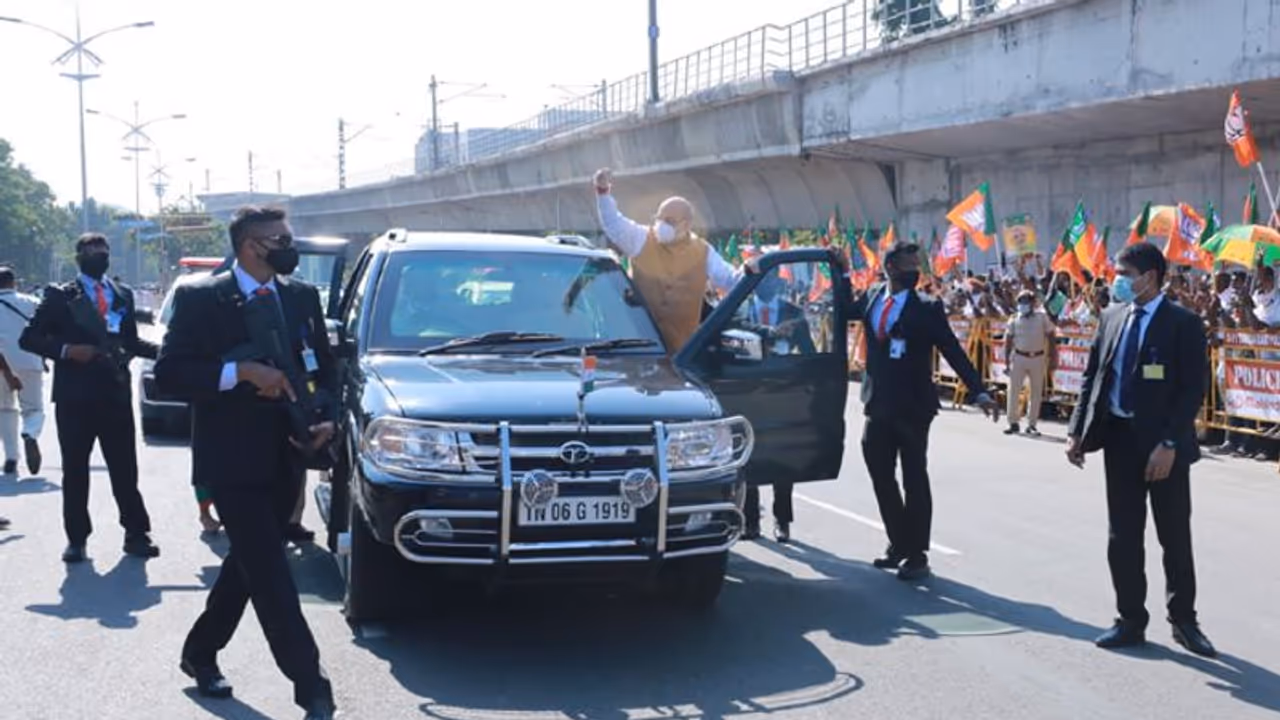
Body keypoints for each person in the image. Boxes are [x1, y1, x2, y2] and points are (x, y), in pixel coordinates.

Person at [154, 206, 337, 719]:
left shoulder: (300, 298)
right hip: (231, 460)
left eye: (288, 237)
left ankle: (199, 652)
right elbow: (170, 373)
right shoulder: (202, 299)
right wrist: (241, 372)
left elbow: (322, 367)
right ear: (249, 246)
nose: (287, 246)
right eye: (278, 239)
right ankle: (312, 687)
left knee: (250, 564)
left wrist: (325, 416)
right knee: (273, 573)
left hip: (289, 455)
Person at [1066, 242, 1215, 657]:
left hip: (1164, 449)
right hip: (1119, 440)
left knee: (1174, 537)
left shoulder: (1183, 323)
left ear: (1149, 277)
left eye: (1124, 274)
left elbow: (1192, 391)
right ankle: (1130, 619)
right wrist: (1077, 430)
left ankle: (1184, 621)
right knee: (1123, 537)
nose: (1117, 281)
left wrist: (1169, 443)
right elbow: (1092, 375)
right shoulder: (1112, 317)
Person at [851, 243, 999, 580]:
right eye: (908, 265)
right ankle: (898, 542)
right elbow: (844, 308)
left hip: (913, 407)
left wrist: (978, 390)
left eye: (917, 265)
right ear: (889, 268)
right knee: (880, 474)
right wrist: (842, 269)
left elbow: (951, 348)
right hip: (877, 402)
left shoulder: (928, 307)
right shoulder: (873, 296)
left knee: (914, 478)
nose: (915, 271)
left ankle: (916, 553)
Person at [19, 234, 159, 563]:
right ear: (78, 256)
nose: (99, 256)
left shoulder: (121, 294)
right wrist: (67, 351)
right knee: (76, 471)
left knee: (125, 469)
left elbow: (132, 342)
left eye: (104, 251)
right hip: (75, 398)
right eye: (91, 252)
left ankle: (136, 533)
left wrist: (168, 353)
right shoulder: (61, 296)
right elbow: (30, 338)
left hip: (114, 392)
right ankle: (77, 539)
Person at [593, 167, 740, 353]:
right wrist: (602, 192)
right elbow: (614, 223)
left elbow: (731, 281)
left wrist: (754, 268)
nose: (661, 225)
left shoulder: (703, 252)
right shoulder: (642, 239)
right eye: (659, 218)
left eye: (669, 221)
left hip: (682, 354)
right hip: (639, 350)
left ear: (686, 224)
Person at [739, 270, 816, 541]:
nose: (767, 284)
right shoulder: (741, 310)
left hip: (783, 394)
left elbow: (809, 354)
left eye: (772, 279)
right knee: (749, 457)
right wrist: (770, 333)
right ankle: (750, 521)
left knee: (783, 458)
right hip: (747, 394)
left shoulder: (793, 312)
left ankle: (782, 520)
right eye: (762, 280)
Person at [0, 267, 46, 475]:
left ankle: (11, 458)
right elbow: (45, 331)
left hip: (1, 364)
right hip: (30, 360)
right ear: (14, 282)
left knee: (5, 410)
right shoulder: (32, 303)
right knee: (34, 409)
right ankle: (29, 433)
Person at [1002, 290, 1055, 436]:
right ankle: (1013, 422)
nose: (1022, 304)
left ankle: (1032, 424)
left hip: (1037, 357)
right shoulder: (1014, 319)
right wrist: (1006, 362)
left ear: (1032, 303)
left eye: (1026, 301)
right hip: (1019, 357)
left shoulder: (1041, 318)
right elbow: (1007, 341)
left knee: (1036, 392)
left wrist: (1052, 355)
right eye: (1021, 301)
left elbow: (1051, 335)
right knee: (1013, 391)